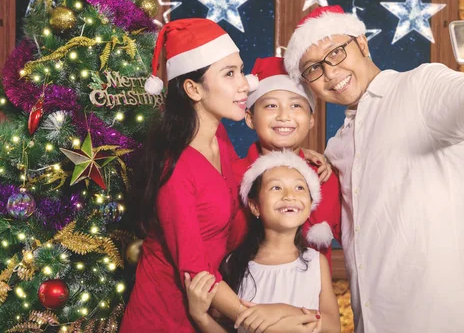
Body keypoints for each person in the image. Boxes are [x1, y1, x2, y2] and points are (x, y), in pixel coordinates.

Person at [283, 5, 464, 333]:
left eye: (336, 52)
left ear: (362, 44)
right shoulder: (336, 146)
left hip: (436, 318)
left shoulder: (421, 87)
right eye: (313, 69)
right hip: (372, 321)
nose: (331, 73)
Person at [121, 18, 252, 332]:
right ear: (193, 89)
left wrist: (294, 157)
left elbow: (243, 183)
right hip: (164, 318)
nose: (244, 84)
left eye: (241, 70)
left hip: (207, 311)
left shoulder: (218, 138)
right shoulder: (176, 169)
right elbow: (196, 272)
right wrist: (258, 318)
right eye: (229, 74)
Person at [186, 151, 341, 333]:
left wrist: (280, 311)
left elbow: (332, 327)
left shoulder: (316, 262)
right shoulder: (233, 264)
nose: (289, 195)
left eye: (299, 188)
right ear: (254, 206)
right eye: (276, 188)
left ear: (310, 205)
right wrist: (201, 318)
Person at [229, 56, 342, 267]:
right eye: (271, 106)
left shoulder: (326, 178)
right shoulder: (230, 176)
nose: (284, 116)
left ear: (311, 120)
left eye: (296, 105)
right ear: (250, 118)